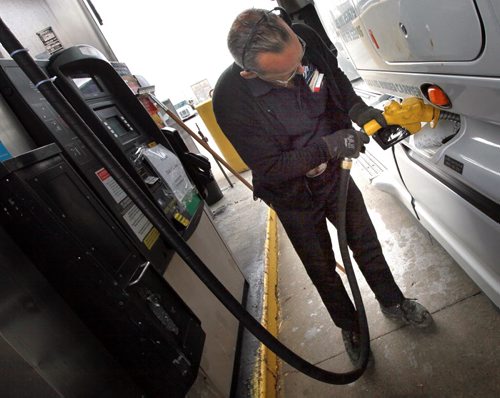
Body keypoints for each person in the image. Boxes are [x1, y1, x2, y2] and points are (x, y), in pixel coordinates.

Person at [212, 7, 433, 363]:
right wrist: (329, 146)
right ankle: (351, 325)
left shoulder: (305, 39)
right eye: (289, 72)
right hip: (293, 196)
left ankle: (393, 300)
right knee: (321, 267)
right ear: (250, 72)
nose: (302, 68)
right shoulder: (230, 101)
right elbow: (270, 167)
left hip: (335, 178)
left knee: (364, 241)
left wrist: (359, 111)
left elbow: (336, 80)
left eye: (300, 56)